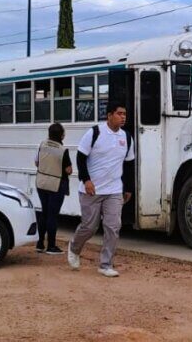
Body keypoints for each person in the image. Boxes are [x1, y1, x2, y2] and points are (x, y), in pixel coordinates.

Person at [67, 102, 135, 277]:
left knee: (113, 227)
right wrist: (86, 180)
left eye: (124, 114)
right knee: (89, 227)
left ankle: (106, 264)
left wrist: (128, 187)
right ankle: (74, 247)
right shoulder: (95, 132)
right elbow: (80, 157)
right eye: (119, 113)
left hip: (114, 190)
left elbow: (129, 165)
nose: (123, 117)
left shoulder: (127, 137)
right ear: (109, 115)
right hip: (92, 189)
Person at [34, 123, 72, 254]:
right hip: (56, 185)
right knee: (52, 216)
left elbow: (36, 162)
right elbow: (68, 170)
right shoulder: (63, 150)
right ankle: (51, 246)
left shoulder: (42, 145)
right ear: (61, 135)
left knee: (44, 213)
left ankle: (40, 244)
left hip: (41, 183)